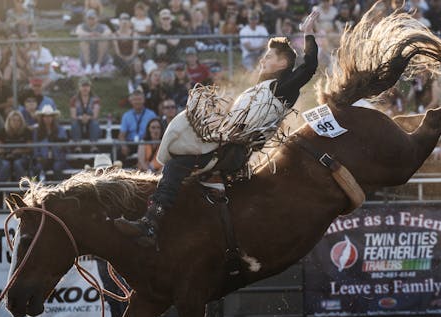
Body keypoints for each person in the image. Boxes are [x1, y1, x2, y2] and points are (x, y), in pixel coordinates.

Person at [114, 10, 320, 246]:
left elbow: (309, 66)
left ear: (282, 63)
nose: (263, 59)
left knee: (177, 164)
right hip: (225, 145)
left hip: (234, 153)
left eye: (269, 56)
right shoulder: (261, 88)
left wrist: (308, 34)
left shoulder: (281, 88)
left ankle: (150, 224)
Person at [117, 89, 157, 163]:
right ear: (131, 101)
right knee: (119, 152)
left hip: (145, 143)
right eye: (135, 100)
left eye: (139, 99)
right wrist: (123, 146)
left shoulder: (151, 114)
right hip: (131, 143)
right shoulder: (126, 116)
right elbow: (122, 135)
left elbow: (156, 132)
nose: (137, 102)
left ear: (144, 100)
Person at [33, 105, 68, 181]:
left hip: (57, 158)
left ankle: (59, 189)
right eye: (45, 116)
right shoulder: (37, 131)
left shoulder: (60, 130)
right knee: (38, 168)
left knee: (57, 167)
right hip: (43, 159)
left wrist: (59, 156)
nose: (47, 118)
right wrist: (38, 157)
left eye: (50, 116)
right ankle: (38, 189)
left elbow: (64, 146)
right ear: (42, 118)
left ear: (53, 117)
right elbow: (35, 147)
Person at [0, 110, 32, 182]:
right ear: (9, 121)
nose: (16, 122)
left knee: (17, 164)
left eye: (18, 120)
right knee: (6, 165)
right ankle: (0, 189)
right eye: (13, 120)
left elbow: (30, 148)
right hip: (6, 157)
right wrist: (8, 153)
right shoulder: (3, 131)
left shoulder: (26, 131)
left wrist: (19, 151)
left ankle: (23, 188)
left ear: (21, 121)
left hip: (22, 157)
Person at [75, 9, 112, 75]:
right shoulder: (82, 26)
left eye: (92, 18)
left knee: (103, 39)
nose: (91, 20)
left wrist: (100, 35)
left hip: (102, 60)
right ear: (86, 19)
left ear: (97, 18)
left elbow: (108, 32)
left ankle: (97, 65)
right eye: (89, 18)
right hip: (85, 59)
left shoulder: (103, 26)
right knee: (82, 39)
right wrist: (89, 35)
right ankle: (88, 65)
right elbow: (78, 31)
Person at [70, 76, 101, 152]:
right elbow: (73, 116)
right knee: (75, 123)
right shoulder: (74, 99)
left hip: (91, 120)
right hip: (78, 120)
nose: (85, 88)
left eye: (87, 86)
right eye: (83, 86)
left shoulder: (96, 99)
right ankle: (78, 146)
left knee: (95, 123)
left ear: (90, 87)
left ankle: (93, 146)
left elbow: (95, 115)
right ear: (79, 87)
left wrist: (87, 117)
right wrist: (81, 118)